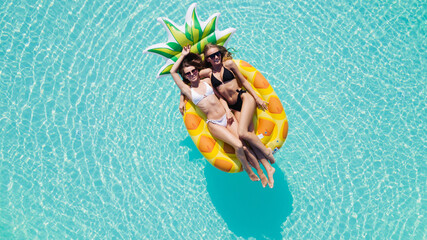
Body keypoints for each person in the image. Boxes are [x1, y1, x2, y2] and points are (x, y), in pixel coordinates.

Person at [171, 45, 264, 184]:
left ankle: (262, 173)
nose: (192, 74)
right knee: (238, 145)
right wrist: (184, 55)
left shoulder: (207, 81)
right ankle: (248, 169)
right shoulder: (187, 91)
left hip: (227, 117)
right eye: (188, 74)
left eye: (193, 71)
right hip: (215, 124)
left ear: (197, 70)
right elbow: (173, 72)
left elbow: (220, 96)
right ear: (185, 77)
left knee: (244, 144)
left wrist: (227, 111)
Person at [201, 43, 276, 185]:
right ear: (208, 59)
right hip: (233, 108)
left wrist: (257, 97)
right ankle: (268, 168)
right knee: (247, 139)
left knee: (243, 133)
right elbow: (189, 79)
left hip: (244, 98)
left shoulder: (229, 65)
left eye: (217, 54)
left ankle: (266, 153)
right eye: (211, 56)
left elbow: (243, 81)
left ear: (220, 54)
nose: (215, 57)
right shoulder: (208, 74)